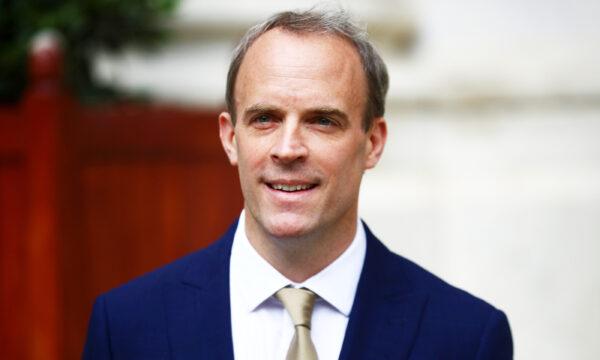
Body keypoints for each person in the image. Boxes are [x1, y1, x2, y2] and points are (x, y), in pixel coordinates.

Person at [83, 9, 513, 360]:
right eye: (265, 119)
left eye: (322, 121)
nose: (288, 149)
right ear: (231, 138)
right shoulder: (127, 328)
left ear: (373, 143)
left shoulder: (466, 339)